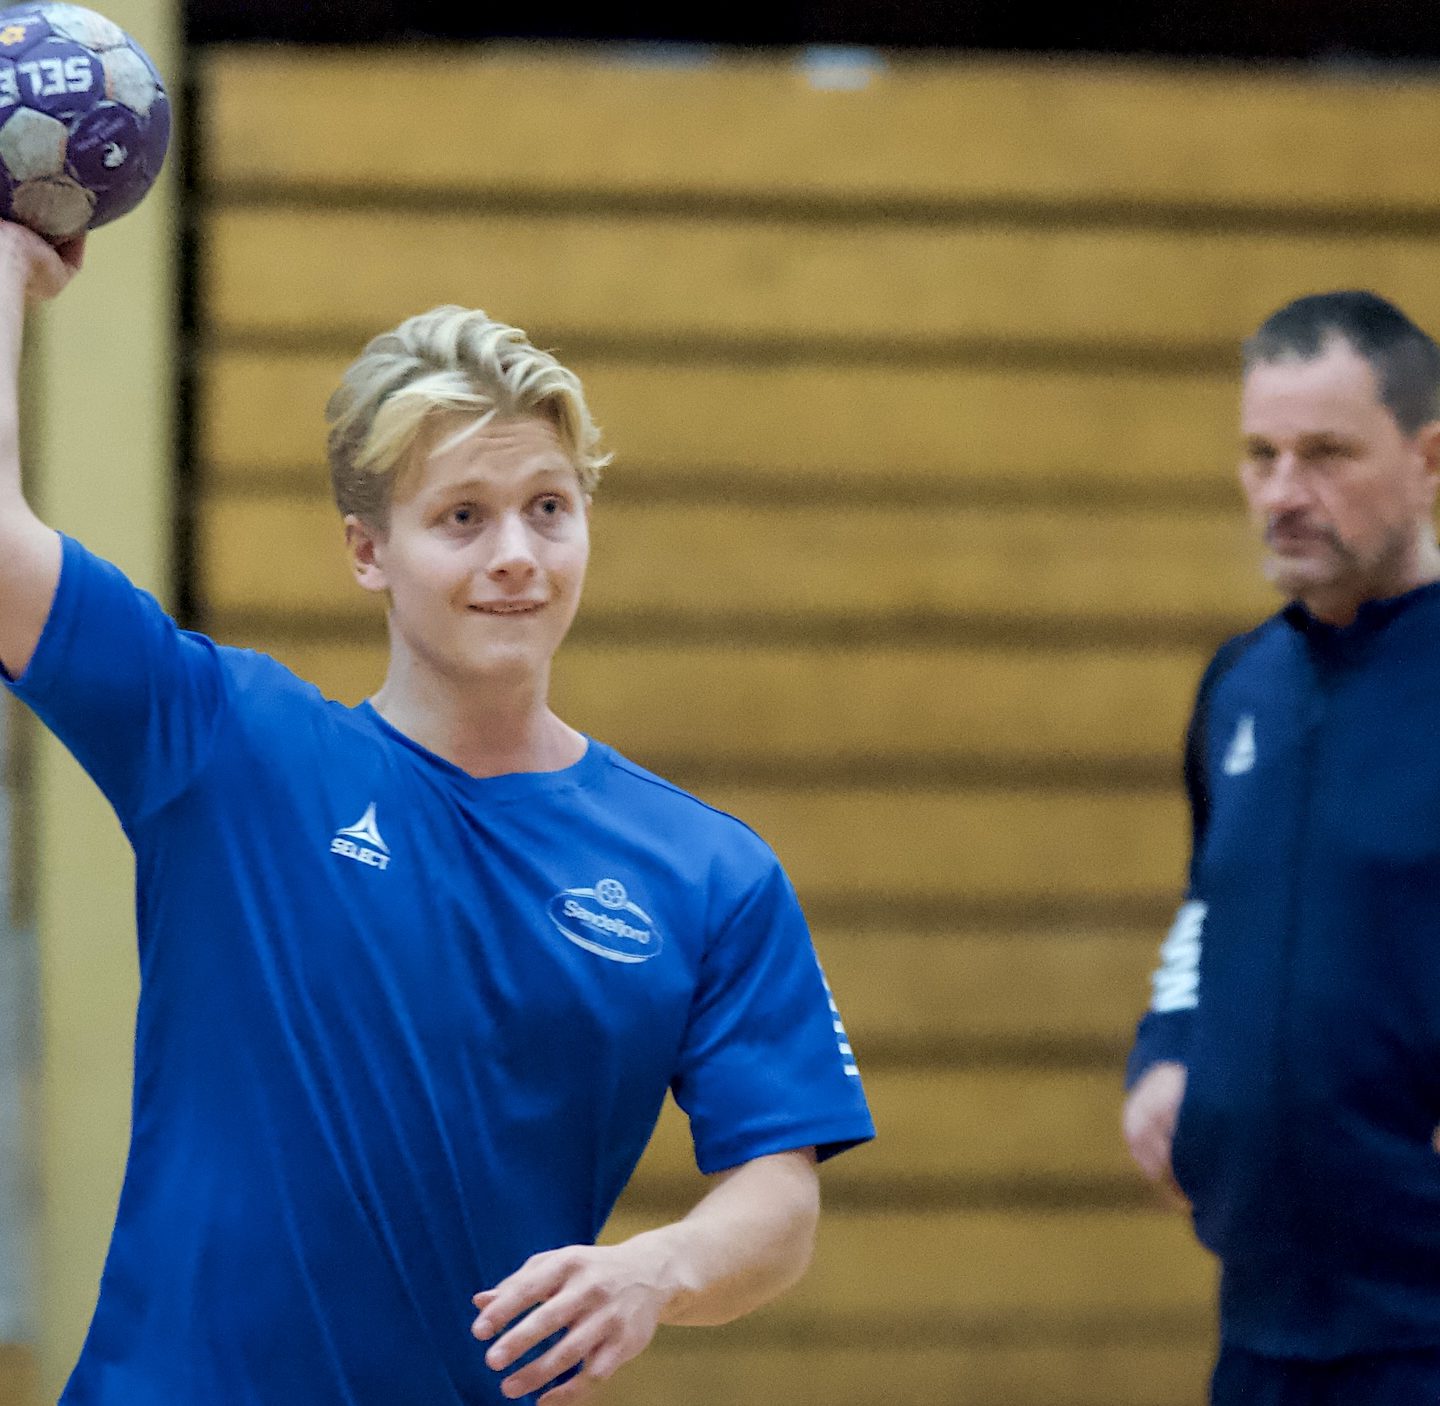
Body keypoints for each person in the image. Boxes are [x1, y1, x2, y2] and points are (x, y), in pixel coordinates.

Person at [0, 222, 875, 1405]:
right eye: (462, 516)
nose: (516, 554)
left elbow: (779, 1195)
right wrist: (7, 261)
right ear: (368, 550)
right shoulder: (225, 743)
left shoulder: (708, 871)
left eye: (549, 507)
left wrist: (656, 1269)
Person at [1123, 288, 1440, 1404]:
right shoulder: (1242, 685)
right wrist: (1169, 1049)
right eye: (1261, 455)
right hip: (1266, 1325)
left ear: (1429, 459)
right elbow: (1211, 907)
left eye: (1326, 454)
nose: (1284, 493)